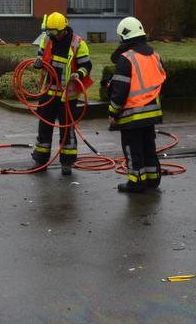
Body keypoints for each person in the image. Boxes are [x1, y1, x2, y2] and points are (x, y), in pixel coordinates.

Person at [107, 16, 166, 193]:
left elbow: (120, 92)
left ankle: (136, 181)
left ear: (125, 37)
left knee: (133, 149)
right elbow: (160, 80)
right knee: (149, 146)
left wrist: (113, 114)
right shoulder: (154, 55)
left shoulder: (126, 58)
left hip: (132, 114)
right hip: (152, 112)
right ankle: (153, 179)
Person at [31, 12, 93, 174]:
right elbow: (41, 56)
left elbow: (86, 66)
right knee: (44, 127)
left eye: (54, 33)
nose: (52, 36)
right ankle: (40, 160)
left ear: (63, 30)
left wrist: (79, 74)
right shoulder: (47, 39)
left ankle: (67, 162)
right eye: (50, 33)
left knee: (67, 129)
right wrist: (38, 63)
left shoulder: (78, 43)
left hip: (67, 96)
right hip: (48, 93)